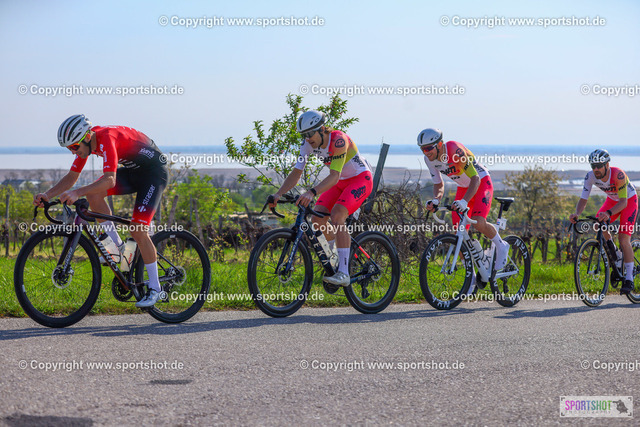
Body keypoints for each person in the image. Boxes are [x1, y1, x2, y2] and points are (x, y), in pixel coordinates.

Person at [33, 114, 168, 307]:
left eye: (74, 147)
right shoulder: (86, 144)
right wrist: (47, 195)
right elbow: (72, 177)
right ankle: (118, 248)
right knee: (94, 195)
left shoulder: (107, 138)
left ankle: (155, 289)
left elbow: (110, 180)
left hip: (154, 174)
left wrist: (77, 192)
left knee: (138, 230)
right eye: (69, 148)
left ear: (87, 137)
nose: (73, 152)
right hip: (134, 172)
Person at [269, 110, 373, 287]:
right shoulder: (307, 144)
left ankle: (344, 273)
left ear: (322, 129)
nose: (307, 138)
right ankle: (335, 257)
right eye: (304, 135)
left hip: (360, 179)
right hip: (340, 182)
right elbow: (297, 172)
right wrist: (278, 194)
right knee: (317, 218)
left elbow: (334, 176)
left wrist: (311, 192)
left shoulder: (339, 140)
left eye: (310, 133)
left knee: (337, 215)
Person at [419, 128, 510, 291]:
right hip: (463, 187)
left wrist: (464, 201)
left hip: (481, 183)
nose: (426, 152)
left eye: (428, 148)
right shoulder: (429, 160)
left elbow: (475, 178)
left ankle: (501, 245)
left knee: (478, 222)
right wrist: (436, 199)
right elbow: (438, 184)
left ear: (439, 144)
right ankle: (472, 279)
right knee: (459, 233)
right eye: (422, 149)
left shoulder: (454, 150)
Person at [569, 149, 638, 295]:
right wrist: (577, 214)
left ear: (607, 165)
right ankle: (617, 255)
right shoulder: (590, 176)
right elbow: (583, 199)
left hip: (628, 201)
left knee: (623, 239)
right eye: (593, 166)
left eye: (599, 166)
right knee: (597, 224)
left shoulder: (618, 174)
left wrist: (608, 213)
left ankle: (629, 278)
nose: (596, 169)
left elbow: (623, 202)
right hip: (612, 200)